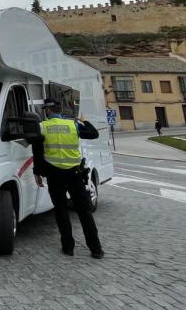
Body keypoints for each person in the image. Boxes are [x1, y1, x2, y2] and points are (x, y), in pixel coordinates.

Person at [32, 98, 105, 259]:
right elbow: (94, 134)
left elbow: (37, 151)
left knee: (61, 211)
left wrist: (37, 173)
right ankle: (96, 249)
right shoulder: (73, 125)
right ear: (60, 109)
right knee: (84, 212)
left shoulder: (42, 126)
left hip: (54, 175)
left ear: (47, 111)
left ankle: (68, 247)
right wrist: (85, 121)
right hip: (75, 174)